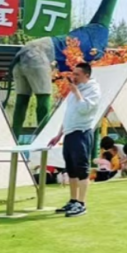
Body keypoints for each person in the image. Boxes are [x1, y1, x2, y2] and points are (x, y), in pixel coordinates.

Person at [51, 62, 101, 217]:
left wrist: (76, 92)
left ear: (87, 75)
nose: (74, 77)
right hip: (70, 133)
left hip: (81, 132)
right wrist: (59, 135)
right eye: (73, 74)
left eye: (77, 74)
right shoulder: (75, 91)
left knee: (81, 169)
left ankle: (81, 203)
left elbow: (84, 109)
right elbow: (69, 114)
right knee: (71, 169)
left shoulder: (93, 90)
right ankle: (73, 200)